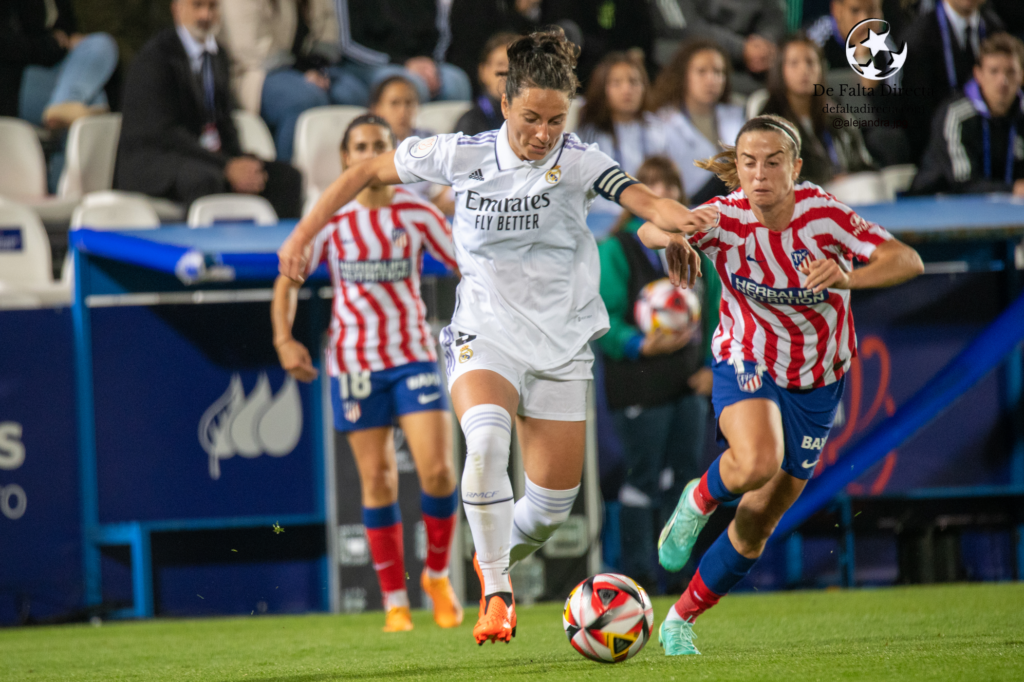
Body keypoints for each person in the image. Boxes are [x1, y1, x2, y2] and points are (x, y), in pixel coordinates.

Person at [277, 28, 704, 646]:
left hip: (560, 344)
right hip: (485, 331)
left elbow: (644, 201)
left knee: (552, 508)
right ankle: (497, 593)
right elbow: (364, 171)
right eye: (530, 117)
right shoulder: (460, 154)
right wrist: (301, 235)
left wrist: (679, 224)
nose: (542, 133)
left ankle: (492, 556)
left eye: (556, 120)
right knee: (483, 444)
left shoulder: (580, 160)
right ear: (504, 104)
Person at [637, 113, 923, 655]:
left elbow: (907, 259)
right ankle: (696, 500)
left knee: (758, 520)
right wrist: (672, 234)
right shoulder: (725, 218)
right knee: (755, 461)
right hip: (747, 356)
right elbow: (646, 227)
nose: (760, 174)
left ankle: (679, 619)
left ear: (795, 167)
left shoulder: (824, 216)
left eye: (773, 162)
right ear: (738, 170)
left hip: (818, 378)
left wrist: (848, 276)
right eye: (749, 162)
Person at [271, 114, 462, 633]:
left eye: (380, 144)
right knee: (376, 481)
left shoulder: (419, 214)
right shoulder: (331, 222)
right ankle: (395, 602)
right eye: (361, 146)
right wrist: (283, 338)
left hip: (414, 355)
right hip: (355, 363)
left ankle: (438, 576)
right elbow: (288, 279)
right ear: (345, 158)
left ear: (394, 153)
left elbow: (467, 265)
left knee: (439, 472)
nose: (371, 153)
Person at [597, 156, 719, 594]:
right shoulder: (618, 249)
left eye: (671, 189)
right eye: (652, 190)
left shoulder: (699, 248)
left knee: (686, 478)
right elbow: (602, 313)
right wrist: (638, 344)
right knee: (642, 477)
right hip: (638, 381)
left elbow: (715, 314)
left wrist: (711, 365)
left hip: (688, 381)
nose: (662, 197)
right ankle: (636, 573)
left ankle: (680, 573)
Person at [115, 0, 303, 218]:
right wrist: (227, 165)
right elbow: (166, 134)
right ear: (177, 9)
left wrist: (240, 160)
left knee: (285, 177)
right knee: (205, 179)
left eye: (212, 7)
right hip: (153, 163)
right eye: (198, 6)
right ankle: (204, 251)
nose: (205, 15)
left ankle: (283, 250)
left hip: (202, 158)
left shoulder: (218, 56)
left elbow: (224, 122)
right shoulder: (155, 59)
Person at [218, 0, 363, 162]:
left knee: (351, 93)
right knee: (305, 98)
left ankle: (347, 175)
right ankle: (291, 175)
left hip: (298, 67)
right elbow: (253, 50)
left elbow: (327, 30)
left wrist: (316, 67)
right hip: (252, 72)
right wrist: (303, 72)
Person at [911, 32, 1024, 196]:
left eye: (1010, 72)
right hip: (939, 205)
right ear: (978, 74)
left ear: (1021, 75)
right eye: (994, 71)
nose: (1003, 81)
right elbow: (962, 184)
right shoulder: (956, 115)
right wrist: (1013, 189)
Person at [805, 0, 912, 167]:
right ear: (837, 10)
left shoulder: (889, 49)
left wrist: (865, 65)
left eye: (871, 12)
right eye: (855, 11)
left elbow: (893, 113)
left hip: (868, 132)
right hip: (824, 127)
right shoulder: (816, 39)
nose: (864, 20)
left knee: (889, 140)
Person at [761, 34, 876, 186]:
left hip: (850, 195)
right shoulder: (769, 123)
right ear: (779, 70)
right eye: (794, 63)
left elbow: (864, 164)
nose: (804, 70)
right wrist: (827, 183)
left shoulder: (839, 117)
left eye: (810, 62)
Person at [903, 0, 1005, 162]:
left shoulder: (995, 29)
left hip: (991, 148)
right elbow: (916, 115)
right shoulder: (919, 37)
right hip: (939, 153)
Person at [578, 53, 668, 231]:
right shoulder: (587, 133)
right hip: (598, 221)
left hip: (647, 216)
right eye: (616, 83)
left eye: (634, 82)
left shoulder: (657, 128)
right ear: (602, 88)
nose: (627, 90)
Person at [651, 39, 746, 206]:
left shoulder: (737, 115)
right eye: (702, 72)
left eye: (718, 72)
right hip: (686, 206)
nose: (711, 80)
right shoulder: (661, 122)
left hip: (735, 208)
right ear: (683, 76)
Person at [1, 0, 118, 128]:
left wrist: (71, 40)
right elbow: (9, 46)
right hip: (17, 80)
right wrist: (54, 43)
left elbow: (67, 31)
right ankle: (64, 106)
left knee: (101, 44)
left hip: (56, 68)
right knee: (95, 102)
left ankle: (63, 107)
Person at [332, 0, 472, 105]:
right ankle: (409, 143)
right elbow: (347, 43)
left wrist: (429, 62)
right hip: (367, 62)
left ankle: (448, 143)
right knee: (411, 86)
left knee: (457, 82)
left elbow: (440, 32)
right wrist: (403, 63)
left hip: (419, 60)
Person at [672, 0, 787, 94]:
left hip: (754, 68)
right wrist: (741, 48)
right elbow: (687, 24)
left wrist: (764, 43)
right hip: (691, 55)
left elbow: (774, 16)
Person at [454, 33, 517, 137]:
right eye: (500, 64)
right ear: (483, 71)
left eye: (515, 65)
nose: (508, 72)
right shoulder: (470, 122)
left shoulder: (537, 120)